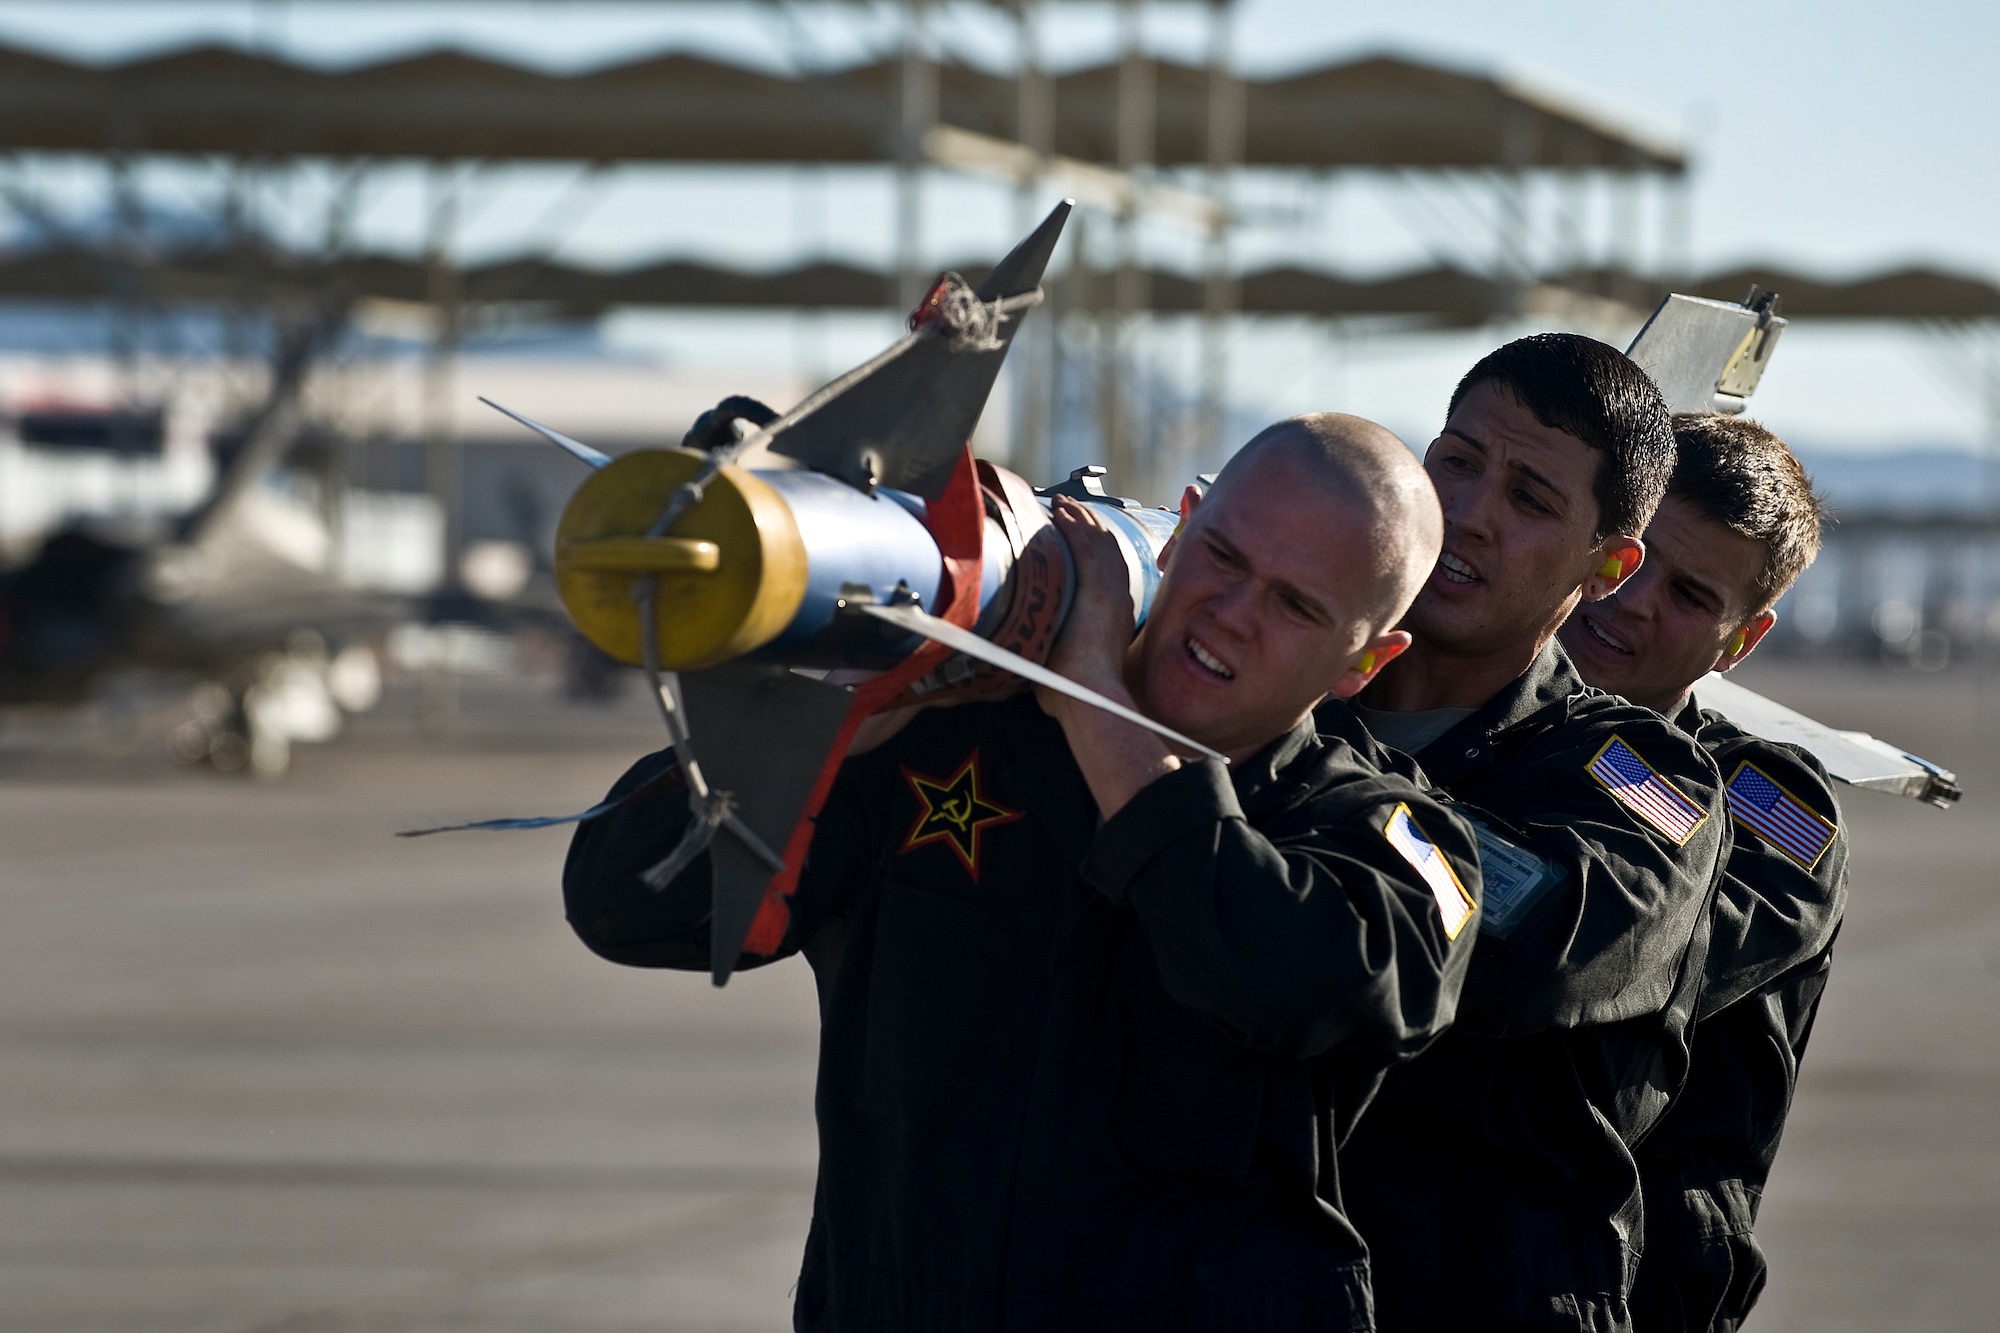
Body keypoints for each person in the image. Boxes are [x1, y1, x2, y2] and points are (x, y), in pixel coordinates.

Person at [564, 414, 1485, 1332]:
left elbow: (1283, 976)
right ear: (1182, 527)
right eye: (1225, 557)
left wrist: (1093, 695)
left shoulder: (1392, 841)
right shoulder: (954, 733)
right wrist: (829, 726)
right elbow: (621, 902)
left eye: (1297, 606)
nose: (1232, 613)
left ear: (1366, 662)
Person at [1322, 334, 1730, 1332]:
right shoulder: (1291, 702)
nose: (1467, 512)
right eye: (1456, 462)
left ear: (1606, 565)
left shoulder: (1641, 781)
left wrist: (1281, 749)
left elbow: (1533, 946)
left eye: (1529, 498)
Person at [1557, 412, 1845, 1333]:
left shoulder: (1767, 802)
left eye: (1689, 593)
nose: (1634, 602)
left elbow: (1625, 938)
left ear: (1740, 640)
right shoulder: (1467, 719)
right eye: (1633, 558)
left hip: (1635, 1283)